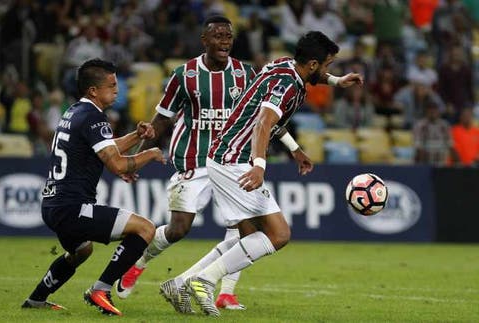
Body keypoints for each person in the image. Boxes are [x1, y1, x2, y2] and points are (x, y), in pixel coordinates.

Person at [115, 15, 312, 312]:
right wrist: (137, 159)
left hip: (233, 159)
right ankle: (138, 264)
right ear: (204, 41)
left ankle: (224, 291)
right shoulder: (185, 75)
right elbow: (162, 120)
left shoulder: (246, 74)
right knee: (179, 228)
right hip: (194, 160)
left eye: (228, 36)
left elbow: (265, 117)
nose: (224, 42)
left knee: (246, 229)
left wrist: (293, 147)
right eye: (217, 36)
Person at [182, 31, 363, 316]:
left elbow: (265, 111)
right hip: (235, 158)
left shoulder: (284, 65)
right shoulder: (288, 85)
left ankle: (183, 283)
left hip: (224, 152)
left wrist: (337, 82)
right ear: (313, 64)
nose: (328, 71)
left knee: (248, 233)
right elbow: (263, 123)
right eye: (327, 66)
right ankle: (203, 280)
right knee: (278, 234)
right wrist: (259, 165)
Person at [21, 58, 166, 316]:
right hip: (73, 207)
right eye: (111, 85)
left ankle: (36, 299)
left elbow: (105, 148)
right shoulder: (94, 118)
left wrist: (136, 136)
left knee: (81, 250)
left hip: (54, 204)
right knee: (145, 228)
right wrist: (150, 154)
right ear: (93, 91)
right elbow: (118, 165)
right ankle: (101, 289)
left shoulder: (75, 112)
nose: (117, 90)